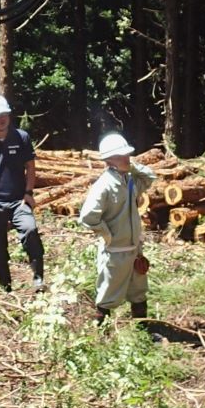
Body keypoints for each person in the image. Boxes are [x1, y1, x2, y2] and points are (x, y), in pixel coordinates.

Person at [77, 133, 156, 322]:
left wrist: (132, 166)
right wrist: (108, 235)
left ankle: (142, 331)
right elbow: (88, 217)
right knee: (107, 293)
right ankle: (100, 335)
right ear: (109, 160)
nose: (127, 158)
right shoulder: (103, 185)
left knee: (139, 292)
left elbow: (150, 177)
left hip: (134, 249)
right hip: (115, 251)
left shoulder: (129, 180)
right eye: (122, 156)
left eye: (127, 155)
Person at [0, 94, 44, 291]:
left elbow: (30, 167)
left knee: (30, 231)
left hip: (18, 201)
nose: (2, 119)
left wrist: (28, 193)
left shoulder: (21, 138)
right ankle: (5, 286)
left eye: (5, 114)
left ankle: (39, 279)